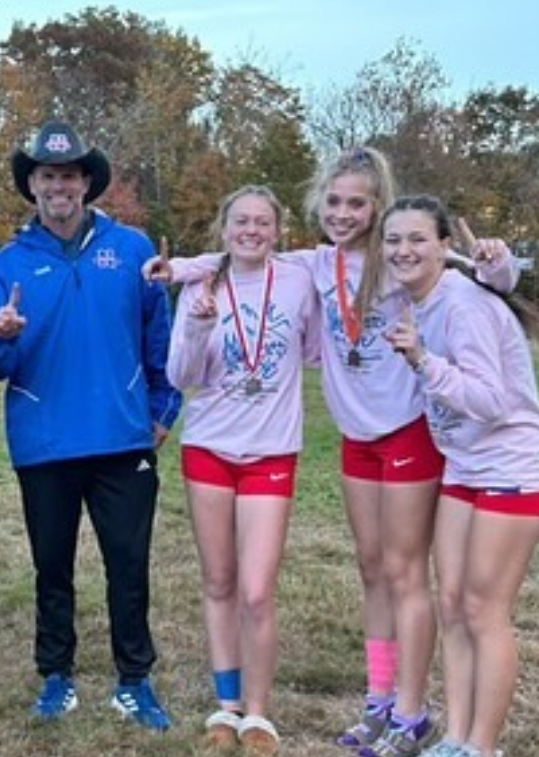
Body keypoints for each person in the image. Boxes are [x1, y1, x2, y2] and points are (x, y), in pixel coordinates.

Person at [148, 147, 520, 757]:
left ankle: (410, 711)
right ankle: (379, 700)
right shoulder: (312, 263)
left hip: (405, 428)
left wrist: (500, 264)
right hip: (356, 436)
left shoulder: (399, 254)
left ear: (378, 207)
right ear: (319, 203)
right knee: (373, 569)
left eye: (357, 203)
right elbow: (237, 253)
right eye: (335, 201)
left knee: (404, 573)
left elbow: (479, 275)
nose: (343, 213)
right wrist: (174, 270)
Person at [0, 119, 182, 730]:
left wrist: (164, 410)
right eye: (46, 175)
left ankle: (135, 680)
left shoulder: (134, 248)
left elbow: (158, 338)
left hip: (122, 437)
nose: (58, 186)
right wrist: (1, 336)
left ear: (86, 182)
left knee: (128, 563)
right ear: (31, 185)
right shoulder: (10, 263)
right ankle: (56, 676)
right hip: (45, 441)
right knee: (52, 566)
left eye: (68, 175)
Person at [381, 195, 539, 757]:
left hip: (514, 468)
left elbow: (489, 400)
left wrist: (423, 363)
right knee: (453, 601)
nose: (403, 249)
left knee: (485, 610)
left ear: (444, 246)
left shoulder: (461, 304)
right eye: (393, 240)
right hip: (465, 466)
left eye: (416, 238)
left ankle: (483, 747)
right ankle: (455, 739)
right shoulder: (418, 300)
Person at [165, 186, 318, 755]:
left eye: (262, 222)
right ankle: (225, 705)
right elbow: (181, 376)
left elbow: (318, 348)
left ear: (278, 230)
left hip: (271, 451)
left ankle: (258, 715)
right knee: (220, 581)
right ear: (223, 228)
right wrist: (201, 326)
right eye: (240, 222)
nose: (251, 230)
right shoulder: (200, 285)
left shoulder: (299, 279)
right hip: (208, 446)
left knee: (257, 590)